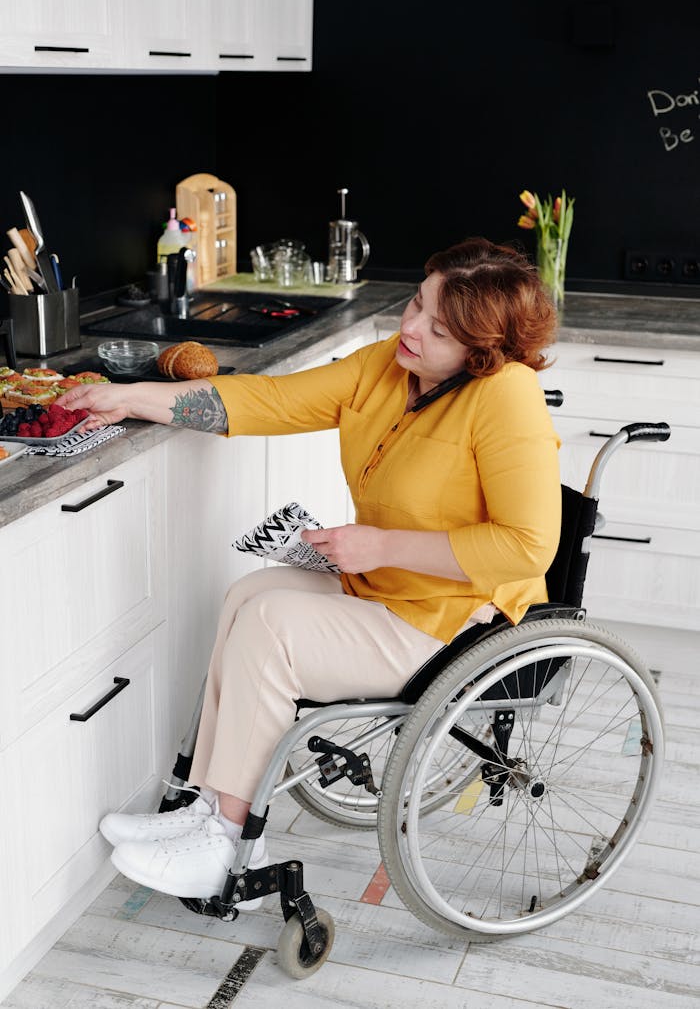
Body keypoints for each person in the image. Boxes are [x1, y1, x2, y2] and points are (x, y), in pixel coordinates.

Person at [57, 236, 561, 903]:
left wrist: (380, 546)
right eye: (416, 304)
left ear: (481, 352)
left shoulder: (507, 395)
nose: (409, 328)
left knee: (273, 625)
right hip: (387, 592)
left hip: (456, 618)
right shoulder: (392, 365)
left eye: (437, 328)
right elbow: (275, 400)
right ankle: (210, 809)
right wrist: (132, 397)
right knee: (250, 595)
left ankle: (227, 842)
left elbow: (528, 545)